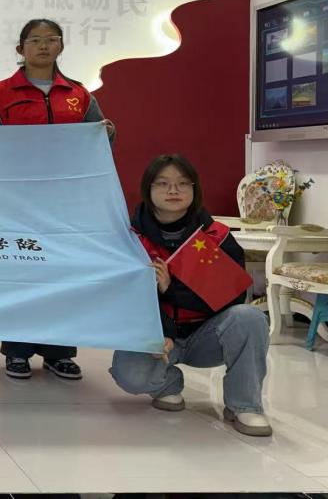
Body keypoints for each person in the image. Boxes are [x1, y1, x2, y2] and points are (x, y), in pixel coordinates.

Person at [0, 18, 115, 381]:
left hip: (66, 203)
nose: (42, 46)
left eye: (50, 39)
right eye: (34, 40)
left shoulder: (79, 95)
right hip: (16, 202)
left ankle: (59, 352)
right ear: (20, 49)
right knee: (21, 273)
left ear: (61, 47)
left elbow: (97, 145)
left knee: (64, 273)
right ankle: (17, 351)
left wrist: (106, 133)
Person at [110, 154, 272, 437]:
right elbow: (124, 298)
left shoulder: (216, 235)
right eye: (163, 183)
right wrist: (163, 332)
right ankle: (167, 384)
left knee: (250, 317)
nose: (173, 190)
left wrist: (171, 290)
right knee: (129, 374)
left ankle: (245, 405)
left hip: (207, 336)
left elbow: (232, 296)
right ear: (148, 189)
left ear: (195, 189)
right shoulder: (131, 239)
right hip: (156, 336)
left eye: (183, 183)